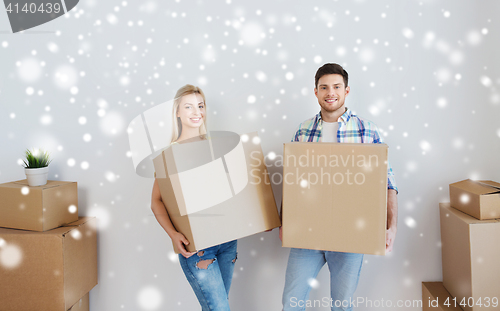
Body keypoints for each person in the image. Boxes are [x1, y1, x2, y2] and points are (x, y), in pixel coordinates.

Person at [280, 63, 399, 311]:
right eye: (324, 87)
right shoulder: (303, 130)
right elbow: (292, 182)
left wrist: (391, 226)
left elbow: (387, 183)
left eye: (336, 86)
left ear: (346, 91)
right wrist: (285, 222)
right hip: (308, 234)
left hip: (351, 236)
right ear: (315, 92)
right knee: (291, 303)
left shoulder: (367, 130)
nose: (330, 92)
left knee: (342, 305)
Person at [151, 84, 237, 311]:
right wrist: (173, 234)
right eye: (188, 106)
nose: (196, 111)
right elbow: (156, 201)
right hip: (197, 247)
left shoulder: (216, 148)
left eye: (200, 105)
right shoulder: (169, 155)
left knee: (217, 307)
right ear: (177, 112)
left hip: (227, 242)